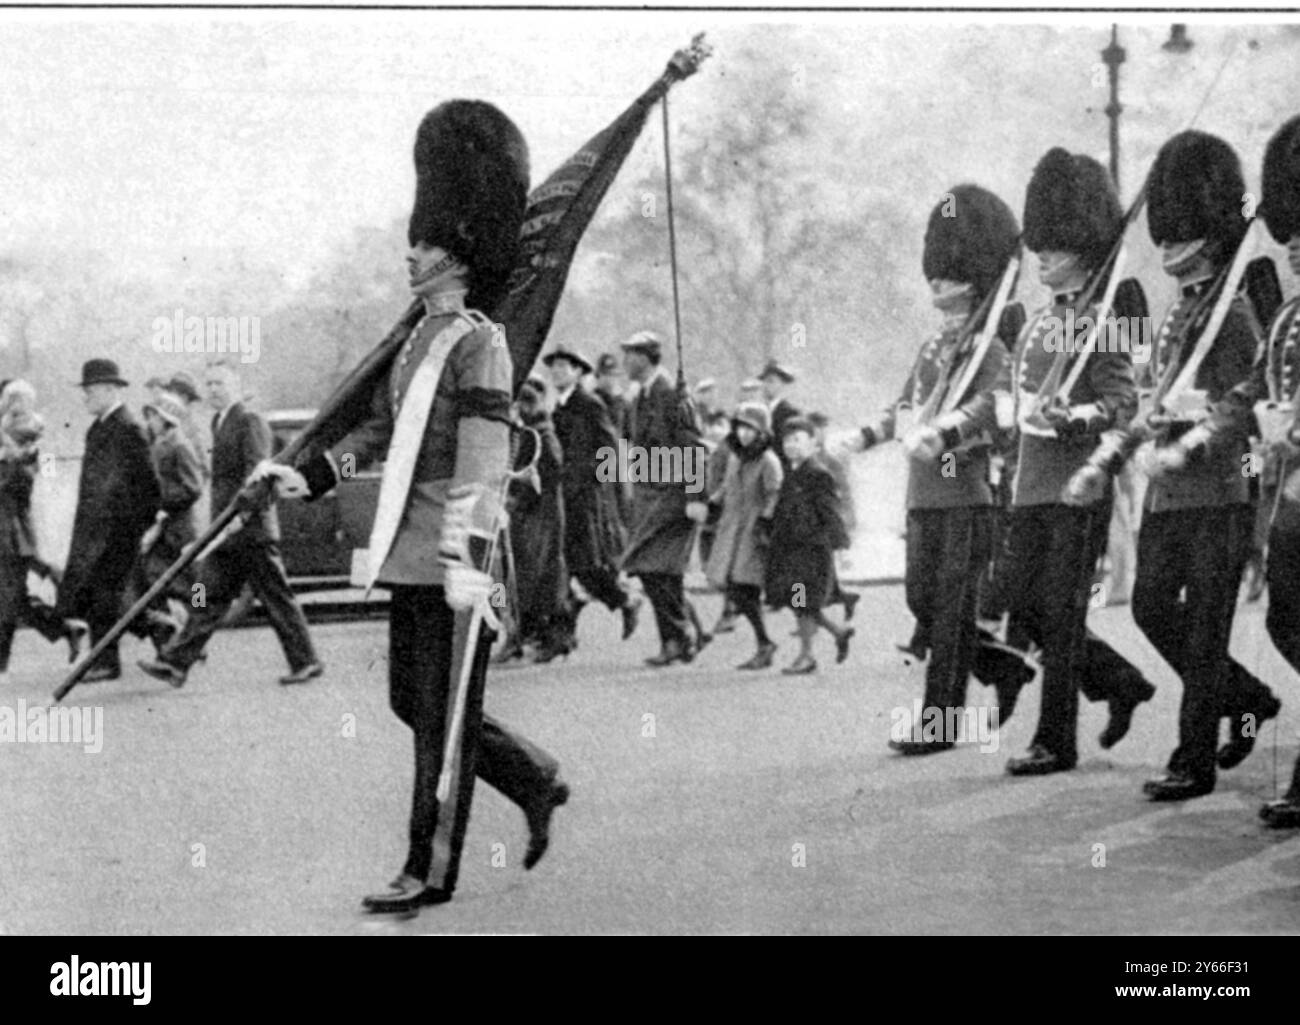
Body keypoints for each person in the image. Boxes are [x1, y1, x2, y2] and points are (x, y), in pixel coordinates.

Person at [258, 99, 569, 912]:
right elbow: (381, 430)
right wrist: (314, 476)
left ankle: (427, 866)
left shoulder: (477, 339)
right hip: (409, 540)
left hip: (452, 547)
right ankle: (534, 778)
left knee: (440, 714)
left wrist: (468, 557)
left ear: (458, 251)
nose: (412, 253)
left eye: (425, 243)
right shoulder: (419, 341)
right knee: (415, 700)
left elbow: (484, 452)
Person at [1100, 131, 1282, 801]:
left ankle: (1192, 758)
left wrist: (1194, 425)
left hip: (1218, 490)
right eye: (1166, 237)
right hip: (1169, 495)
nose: (1170, 248)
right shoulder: (1180, 312)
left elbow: (1249, 397)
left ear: (1209, 237)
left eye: (1182, 237)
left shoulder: (1230, 315)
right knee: (1150, 608)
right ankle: (1248, 695)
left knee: (1204, 628)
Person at [845, 183, 1019, 752]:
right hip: (923, 494)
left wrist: (946, 432)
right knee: (923, 600)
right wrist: (864, 436)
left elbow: (991, 408)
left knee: (947, 613)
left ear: (972, 279)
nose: (936, 283)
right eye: (935, 274)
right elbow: (903, 406)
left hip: (966, 493)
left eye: (947, 274)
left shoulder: (989, 348)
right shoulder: (931, 348)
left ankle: (940, 722)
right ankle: (1002, 668)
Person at [999, 148, 1156, 777]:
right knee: (1028, 610)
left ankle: (1054, 740)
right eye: (1039, 245)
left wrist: (1080, 417)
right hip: (1030, 482)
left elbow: (1122, 400)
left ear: (1084, 248)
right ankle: (1120, 683)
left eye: (1055, 246)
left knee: (1061, 613)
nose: (1041, 256)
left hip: (1077, 482)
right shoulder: (1040, 323)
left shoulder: (1101, 319)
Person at [137, 360, 323, 688]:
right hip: (228, 531)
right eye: (208, 384)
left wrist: (241, 516)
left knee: (276, 599)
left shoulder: (250, 420)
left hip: (250, 529)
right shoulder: (219, 422)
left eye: (219, 384)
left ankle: (307, 661)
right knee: (206, 598)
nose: (212, 390)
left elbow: (259, 475)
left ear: (236, 386)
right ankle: (175, 664)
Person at [1251, 115, 1300, 828]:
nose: (1295, 256)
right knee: (1288, 619)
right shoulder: (1290, 319)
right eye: (1291, 243)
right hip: (1291, 495)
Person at [57, 359, 160, 682]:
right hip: (98, 532)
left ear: (109, 390)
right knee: (114, 596)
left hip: (117, 532)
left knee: (108, 595)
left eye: (89, 390)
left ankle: (107, 661)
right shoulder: (99, 428)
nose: (85, 396)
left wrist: (135, 528)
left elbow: (149, 485)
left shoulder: (128, 428)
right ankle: (166, 637)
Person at [543, 343, 640, 655]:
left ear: (579, 372)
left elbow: (609, 446)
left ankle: (625, 600)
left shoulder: (589, 404)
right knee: (567, 566)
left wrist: (594, 483)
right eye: (554, 366)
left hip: (585, 499)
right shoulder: (558, 407)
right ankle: (561, 638)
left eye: (565, 367)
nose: (558, 371)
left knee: (586, 566)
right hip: (563, 497)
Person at [621, 330, 707, 665]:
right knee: (655, 571)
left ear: (646, 357)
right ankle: (685, 635)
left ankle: (678, 638)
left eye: (631, 354)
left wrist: (696, 496)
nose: (626, 361)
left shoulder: (671, 394)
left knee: (657, 569)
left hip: (673, 496)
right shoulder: (642, 395)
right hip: (650, 496)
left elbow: (693, 449)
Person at [0, 380, 85, 676]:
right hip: (12, 531)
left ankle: (187, 617)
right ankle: (65, 626)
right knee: (14, 599)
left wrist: (15, 456)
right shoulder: (15, 442)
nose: (11, 408)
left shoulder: (28, 441)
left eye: (14, 401)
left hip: (10, 532)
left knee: (9, 599)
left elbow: (34, 478)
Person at [120, 389, 204, 658]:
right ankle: (171, 645)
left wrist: (160, 501)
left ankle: (190, 638)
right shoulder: (159, 444)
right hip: (163, 529)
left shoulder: (179, 445)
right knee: (152, 582)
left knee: (181, 587)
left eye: (154, 416)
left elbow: (193, 487)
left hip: (177, 530)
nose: (150, 421)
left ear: (167, 418)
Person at [765, 418, 853, 674]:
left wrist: (841, 546)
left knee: (802, 602)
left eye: (797, 440)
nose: (791, 445)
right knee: (800, 602)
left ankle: (806, 656)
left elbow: (830, 511)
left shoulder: (817, 473)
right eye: (787, 441)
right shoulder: (793, 472)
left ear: (812, 444)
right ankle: (838, 632)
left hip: (811, 551)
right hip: (792, 549)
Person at [704, 402, 782, 669]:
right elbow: (727, 485)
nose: (744, 434)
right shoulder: (736, 457)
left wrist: (766, 520)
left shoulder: (768, 461)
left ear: (762, 432)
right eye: (740, 428)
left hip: (752, 531)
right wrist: (713, 502)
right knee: (734, 586)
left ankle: (765, 643)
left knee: (742, 586)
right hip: (732, 528)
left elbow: (774, 493)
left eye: (751, 429)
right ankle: (764, 642)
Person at [500, 375, 570, 663]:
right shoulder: (532, 431)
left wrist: (519, 499)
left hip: (539, 516)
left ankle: (540, 639)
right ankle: (525, 637)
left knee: (537, 579)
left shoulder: (539, 434)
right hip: (531, 515)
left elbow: (550, 469)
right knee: (527, 579)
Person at [759, 360, 800, 467]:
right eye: (764, 381)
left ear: (782, 385)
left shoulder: (790, 413)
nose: (765, 385)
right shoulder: (759, 410)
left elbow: (790, 448)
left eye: (771, 381)